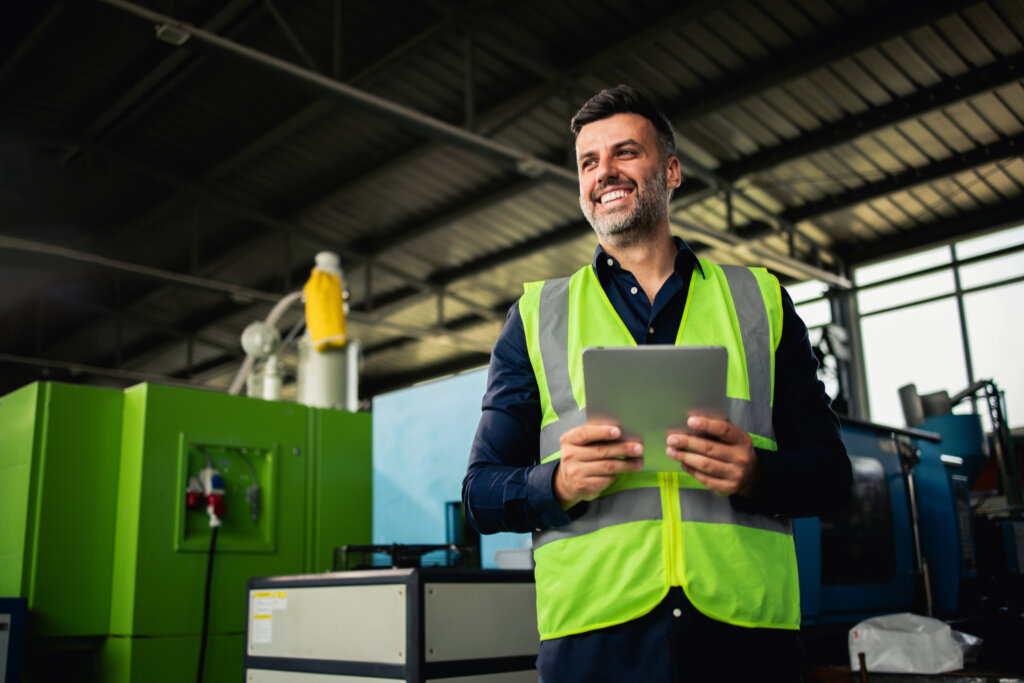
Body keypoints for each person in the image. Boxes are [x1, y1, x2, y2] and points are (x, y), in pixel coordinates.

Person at [462, 84, 852, 682]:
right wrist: (558, 482)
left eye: (625, 153)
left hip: (746, 636)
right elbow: (480, 494)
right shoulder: (537, 317)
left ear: (670, 171)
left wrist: (757, 475)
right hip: (595, 638)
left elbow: (831, 476)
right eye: (588, 162)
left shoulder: (760, 301)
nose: (604, 172)